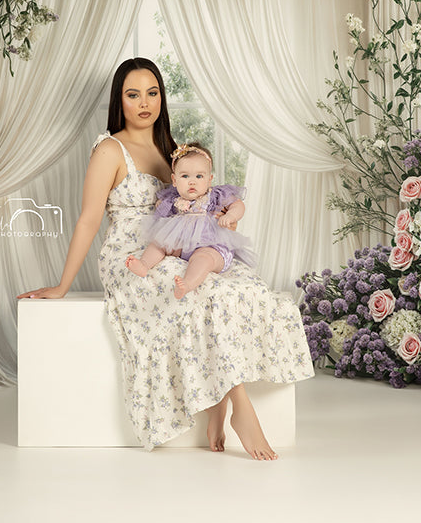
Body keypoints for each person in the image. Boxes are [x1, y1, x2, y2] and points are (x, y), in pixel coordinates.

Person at [18, 57, 313, 460]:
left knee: (234, 286)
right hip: (133, 256)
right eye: (133, 94)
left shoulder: (172, 149)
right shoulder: (110, 149)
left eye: (153, 92)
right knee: (192, 292)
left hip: (181, 246)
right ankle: (240, 407)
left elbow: (201, 195)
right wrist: (62, 285)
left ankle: (217, 400)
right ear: (119, 101)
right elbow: (88, 219)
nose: (144, 103)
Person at [126, 142, 257, 299]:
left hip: (211, 245)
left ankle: (187, 284)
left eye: (199, 176)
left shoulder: (215, 195)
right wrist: (161, 205)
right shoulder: (173, 199)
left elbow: (238, 204)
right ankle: (144, 265)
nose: (192, 181)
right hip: (182, 244)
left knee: (203, 258)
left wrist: (230, 216)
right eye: (185, 176)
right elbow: (160, 213)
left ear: (210, 179)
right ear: (174, 180)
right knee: (159, 244)